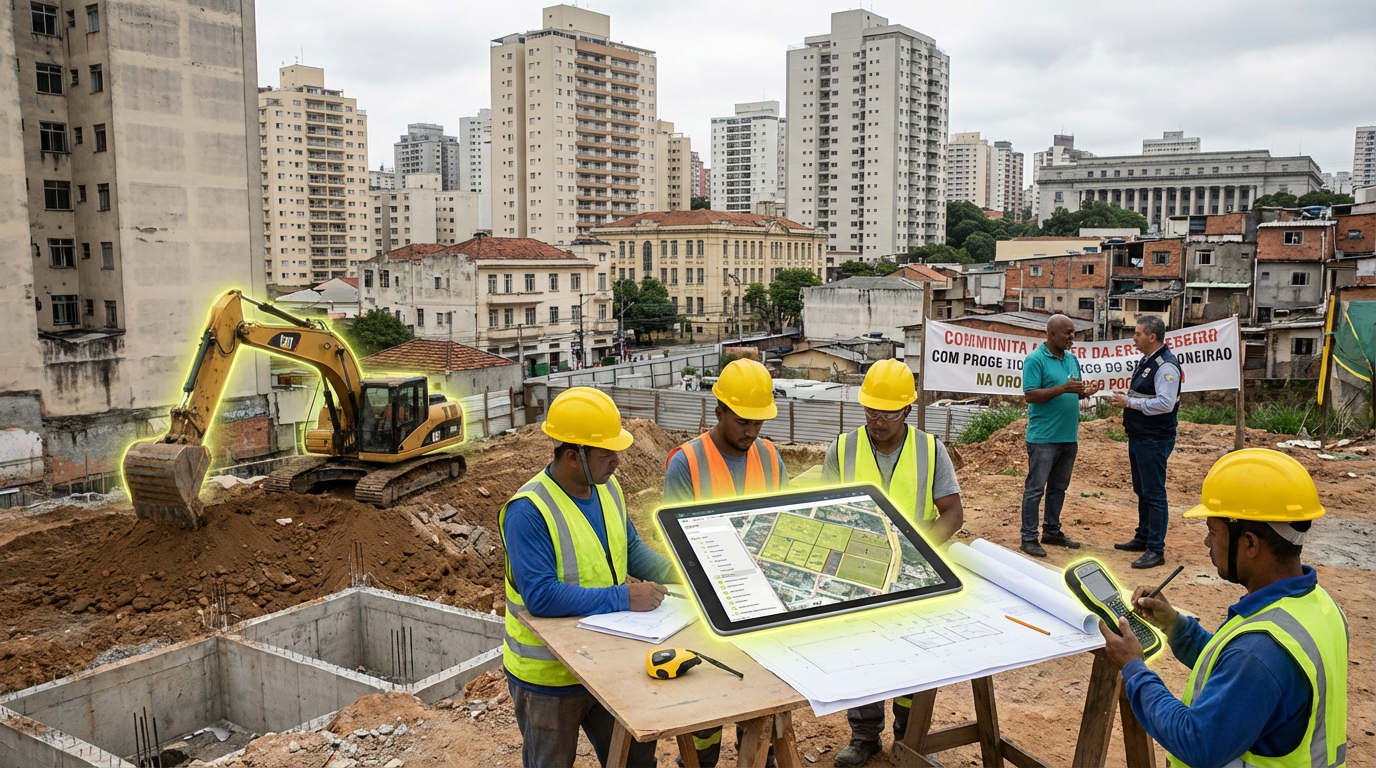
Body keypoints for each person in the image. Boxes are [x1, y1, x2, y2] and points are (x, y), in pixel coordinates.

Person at [1098, 449, 1348, 768]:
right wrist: (1176, 626)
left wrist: (1133, 666)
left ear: (1250, 543)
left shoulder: (1260, 650)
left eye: (1212, 531)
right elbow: (1237, 675)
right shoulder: (1318, 606)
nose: (1207, 543)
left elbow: (1197, 742)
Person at [501, 387, 678, 768]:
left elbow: (630, 549)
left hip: (608, 662)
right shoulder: (528, 511)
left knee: (635, 759)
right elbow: (541, 596)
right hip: (549, 676)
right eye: (606, 454)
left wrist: (681, 573)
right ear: (571, 456)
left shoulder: (607, 488)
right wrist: (625, 597)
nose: (618, 461)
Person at [821, 359, 965, 767]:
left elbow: (952, 513)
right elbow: (826, 511)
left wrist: (919, 554)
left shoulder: (929, 449)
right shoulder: (843, 447)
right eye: (871, 410)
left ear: (907, 409)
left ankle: (908, 737)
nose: (878, 419)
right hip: (855, 570)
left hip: (913, 574)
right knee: (861, 654)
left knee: (910, 659)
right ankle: (864, 736)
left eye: (887, 411)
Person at [663, 357, 788, 768]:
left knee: (760, 705)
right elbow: (679, 546)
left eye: (758, 423)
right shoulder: (687, 462)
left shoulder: (770, 457)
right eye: (742, 422)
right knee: (708, 707)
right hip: (708, 611)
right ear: (719, 411)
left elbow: (782, 527)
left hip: (761, 606)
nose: (752, 432)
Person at [1019, 314, 1100, 557]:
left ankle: (1052, 531)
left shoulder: (1072, 360)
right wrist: (1063, 388)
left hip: (1068, 437)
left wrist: (1085, 393)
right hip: (1043, 438)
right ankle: (1029, 537)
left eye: (1073, 332)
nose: (1072, 337)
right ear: (1051, 334)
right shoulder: (1035, 360)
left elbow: (1073, 393)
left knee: (1058, 488)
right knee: (1035, 489)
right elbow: (1031, 395)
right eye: (1067, 332)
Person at [1109, 315, 1183, 569]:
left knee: (1153, 494)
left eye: (1138, 334)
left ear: (1152, 337)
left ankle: (1155, 549)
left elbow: (1164, 403)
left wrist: (1129, 402)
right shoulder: (1147, 360)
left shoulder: (1166, 366)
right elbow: (1146, 394)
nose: (1134, 338)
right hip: (1140, 436)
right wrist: (1127, 396)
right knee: (1142, 491)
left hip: (1154, 438)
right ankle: (1143, 537)